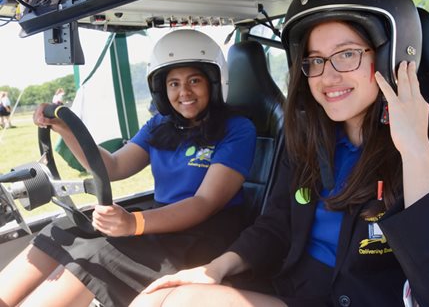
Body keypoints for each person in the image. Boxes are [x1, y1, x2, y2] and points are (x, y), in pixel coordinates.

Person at [129, 0, 429, 306]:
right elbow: (277, 225)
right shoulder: (309, 138)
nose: (327, 76)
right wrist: (217, 268)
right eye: (315, 60)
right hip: (298, 294)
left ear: (392, 53)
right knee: (158, 299)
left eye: (347, 54)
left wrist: (414, 150)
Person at [0, 29, 256, 307]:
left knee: (96, 256)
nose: (184, 92)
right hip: (162, 227)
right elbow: (113, 165)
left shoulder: (238, 129)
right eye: (173, 83)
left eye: (194, 80)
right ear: (162, 89)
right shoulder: (159, 125)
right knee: (60, 229)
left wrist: (133, 223)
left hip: (206, 238)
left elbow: (204, 203)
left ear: (214, 82)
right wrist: (65, 130)